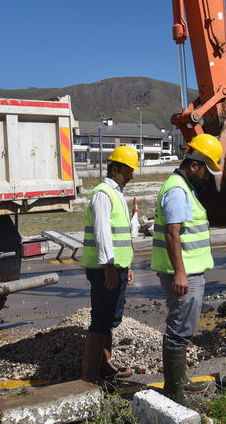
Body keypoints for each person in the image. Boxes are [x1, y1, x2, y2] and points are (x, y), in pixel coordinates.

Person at [151, 133, 222, 405]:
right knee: (179, 329)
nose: (206, 176)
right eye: (205, 170)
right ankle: (174, 391)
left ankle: (179, 382)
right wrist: (180, 273)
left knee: (182, 327)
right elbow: (172, 234)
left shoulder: (181, 187)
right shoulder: (178, 190)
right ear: (194, 164)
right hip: (184, 274)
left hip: (188, 271)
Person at [79, 145, 138, 384]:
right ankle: (89, 375)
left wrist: (126, 265)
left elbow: (119, 236)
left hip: (116, 266)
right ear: (115, 169)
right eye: (128, 170)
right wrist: (109, 266)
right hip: (105, 269)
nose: (132, 175)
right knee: (100, 320)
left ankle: (105, 365)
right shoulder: (103, 194)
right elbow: (102, 233)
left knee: (110, 320)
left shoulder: (116, 193)